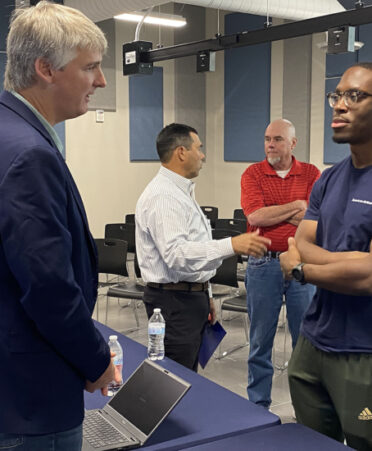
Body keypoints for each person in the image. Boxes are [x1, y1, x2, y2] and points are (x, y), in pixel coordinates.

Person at [0, 2, 120, 450]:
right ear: (45, 68)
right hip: (31, 400)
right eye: (90, 67)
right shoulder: (29, 154)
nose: (102, 81)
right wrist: (94, 360)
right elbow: (48, 285)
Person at [279, 63, 372, 451]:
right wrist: (353, 259)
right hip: (313, 344)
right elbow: (301, 240)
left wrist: (302, 270)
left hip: (363, 353)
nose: (339, 106)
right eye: (337, 96)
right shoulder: (329, 178)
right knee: (313, 444)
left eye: (355, 96)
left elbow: (368, 280)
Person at [135, 123, 271, 371]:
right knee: (175, 378)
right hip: (174, 302)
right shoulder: (164, 196)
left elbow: (194, 248)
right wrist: (232, 244)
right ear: (181, 152)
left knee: (187, 376)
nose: (203, 155)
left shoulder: (180, 192)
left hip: (187, 296)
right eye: (199, 148)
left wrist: (204, 292)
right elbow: (176, 255)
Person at [240, 119, 320, 408]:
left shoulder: (311, 173)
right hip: (263, 265)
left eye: (277, 139)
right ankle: (258, 406)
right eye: (266, 139)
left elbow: (315, 221)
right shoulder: (253, 173)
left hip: (302, 264)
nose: (270, 145)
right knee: (261, 341)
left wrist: (277, 212)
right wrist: (297, 206)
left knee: (305, 341)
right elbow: (256, 218)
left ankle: (307, 408)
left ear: (292, 143)